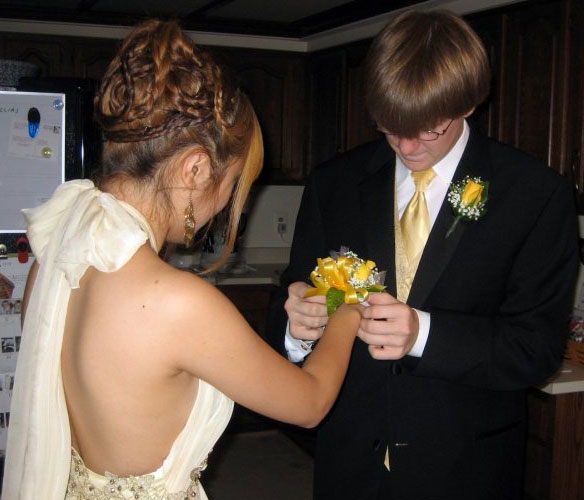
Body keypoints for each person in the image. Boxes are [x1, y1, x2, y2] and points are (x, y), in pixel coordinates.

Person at [2, 19, 362, 500]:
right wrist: (348, 307)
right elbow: (311, 403)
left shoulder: (54, 257)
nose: (226, 203)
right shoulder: (178, 303)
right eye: (232, 183)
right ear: (195, 168)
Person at [266, 9, 579, 500]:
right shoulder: (335, 182)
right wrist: (296, 328)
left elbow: (535, 350)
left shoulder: (534, 194)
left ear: (470, 104)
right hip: (348, 462)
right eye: (391, 128)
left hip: (466, 467)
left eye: (430, 129)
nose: (408, 146)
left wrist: (424, 333)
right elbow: (290, 294)